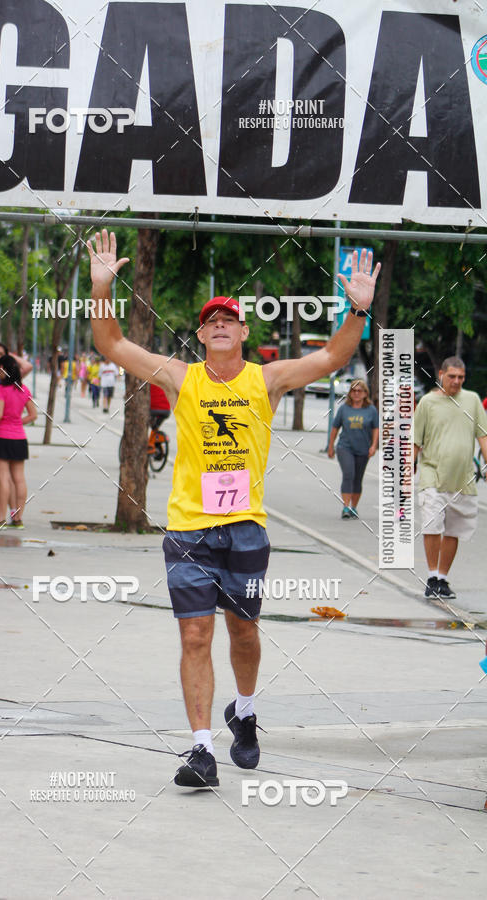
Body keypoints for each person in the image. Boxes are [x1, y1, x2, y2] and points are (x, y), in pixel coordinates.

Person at [87, 230, 380, 788]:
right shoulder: (181, 376)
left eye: (229, 319)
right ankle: (201, 751)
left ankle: (243, 712)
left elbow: (334, 355)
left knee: (243, 632)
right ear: (200, 334)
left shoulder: (265, 379)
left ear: (244, 331)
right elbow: (114, 346)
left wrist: (358, 309)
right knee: (195, 637)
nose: (219, 324)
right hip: (190, 532)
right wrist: (102, 288)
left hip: (246, 531)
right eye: (210, 320)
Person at [414, 357, 487, 600]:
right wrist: (404, 473)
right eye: (452, 376)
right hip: (432, 474)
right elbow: (415, 441)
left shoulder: (473, 400)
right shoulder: (427, 402)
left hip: (463, 479)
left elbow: (483, 436)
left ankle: (442, 579)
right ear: (441, 374)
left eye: (461, 377)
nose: (456, 381)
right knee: (433, 524)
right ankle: (432, 576)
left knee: (454, 530)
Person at [0, 355, 37, 528]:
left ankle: (0, 518)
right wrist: (18, 422)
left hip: (1, 437)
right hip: (19, 438)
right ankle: (18, 518)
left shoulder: (0, 390)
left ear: (4, 369)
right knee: (19, 479)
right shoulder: (24, 389)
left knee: (3, 479)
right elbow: (33, 415)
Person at [327, 379, 379, 519]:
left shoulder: (371, 410)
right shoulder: (344, 409)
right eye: (353, 391)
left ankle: (354, 507)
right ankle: (345, 506)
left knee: (358, 478)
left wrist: (374, 445)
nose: (356, 394)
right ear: (350, 393)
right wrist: (331, 446)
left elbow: (376, 428)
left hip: (363, 449)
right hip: (345, 447)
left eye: (359, 391)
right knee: (348, 474)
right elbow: (335, 428)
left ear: (364, 393)